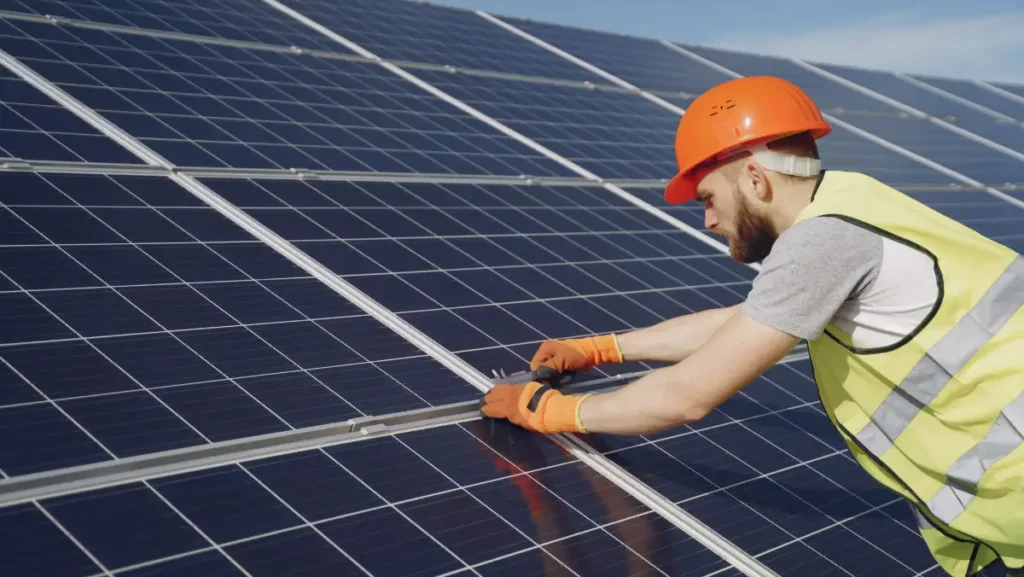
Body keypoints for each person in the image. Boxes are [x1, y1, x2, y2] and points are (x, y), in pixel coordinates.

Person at [479, 75, 1024, 577]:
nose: (709, 221)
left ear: (757, 179)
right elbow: (752, 320)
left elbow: (686, 397)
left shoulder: (824, 243)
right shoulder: (851, 202)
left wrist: (547, 410)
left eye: (709, 199)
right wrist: (602, 349)